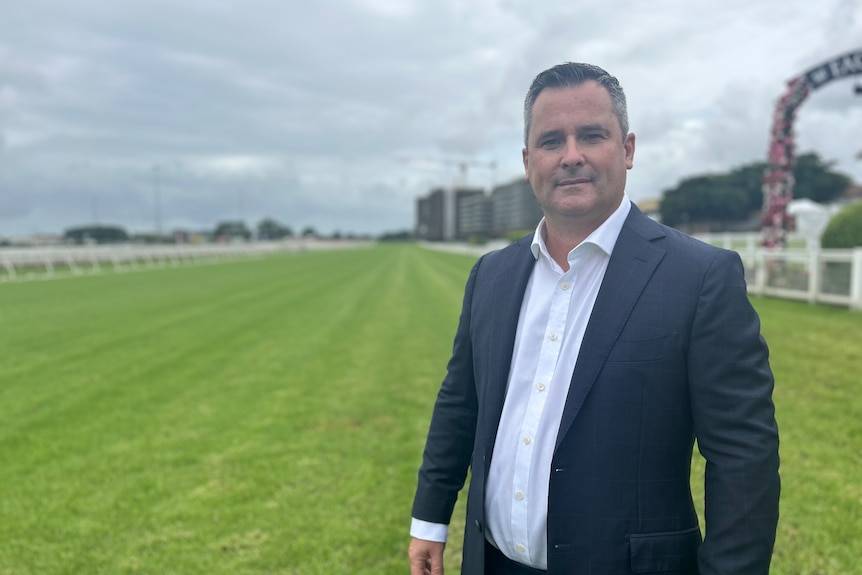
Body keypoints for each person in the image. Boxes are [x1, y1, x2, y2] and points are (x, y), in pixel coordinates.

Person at [408, 62, 780, 575]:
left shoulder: (700, 278)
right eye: (551, 141)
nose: (571, 157)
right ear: (527, 160)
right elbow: (459, 402)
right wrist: (430, 519)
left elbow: (743, 456)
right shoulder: (491, 276)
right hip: (491, 561)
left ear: (626, 150)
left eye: (591, 136)